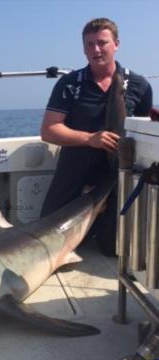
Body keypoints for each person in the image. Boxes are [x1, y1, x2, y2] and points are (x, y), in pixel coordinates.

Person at [40, 17, 152, 255]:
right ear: (83, 47)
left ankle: (102, 221)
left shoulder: (140, 85)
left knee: (113, 249)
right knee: (48, 241)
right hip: (76, 166)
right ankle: (91, 222)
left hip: (118, 173)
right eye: (89, 44)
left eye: (102, 43)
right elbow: (49, 130)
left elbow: (145, 135)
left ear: (116, 44)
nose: (96, 50)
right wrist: (90, 139)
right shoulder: (69, 84)